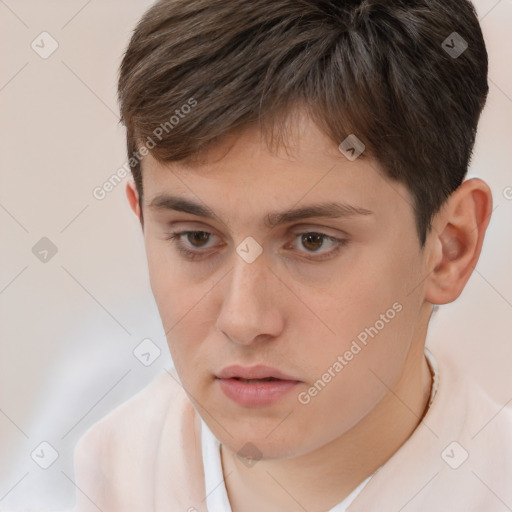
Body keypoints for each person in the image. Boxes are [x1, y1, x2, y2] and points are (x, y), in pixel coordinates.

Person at [71, 0, 512, 511]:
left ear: (449, 248)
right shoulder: (110, 472)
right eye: (195, 237)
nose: (243, 320)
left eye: (312, 241)